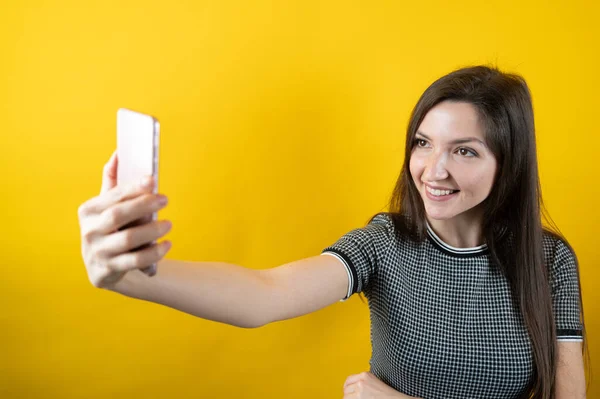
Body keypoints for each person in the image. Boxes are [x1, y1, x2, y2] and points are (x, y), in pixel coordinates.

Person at [78, 65, 588, 399]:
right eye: (423, 143)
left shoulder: (551, 262)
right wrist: (132, 276)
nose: (434, 169)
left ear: (510, 163)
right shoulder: (386, 243)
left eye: (465, 150)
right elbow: (264, 294)